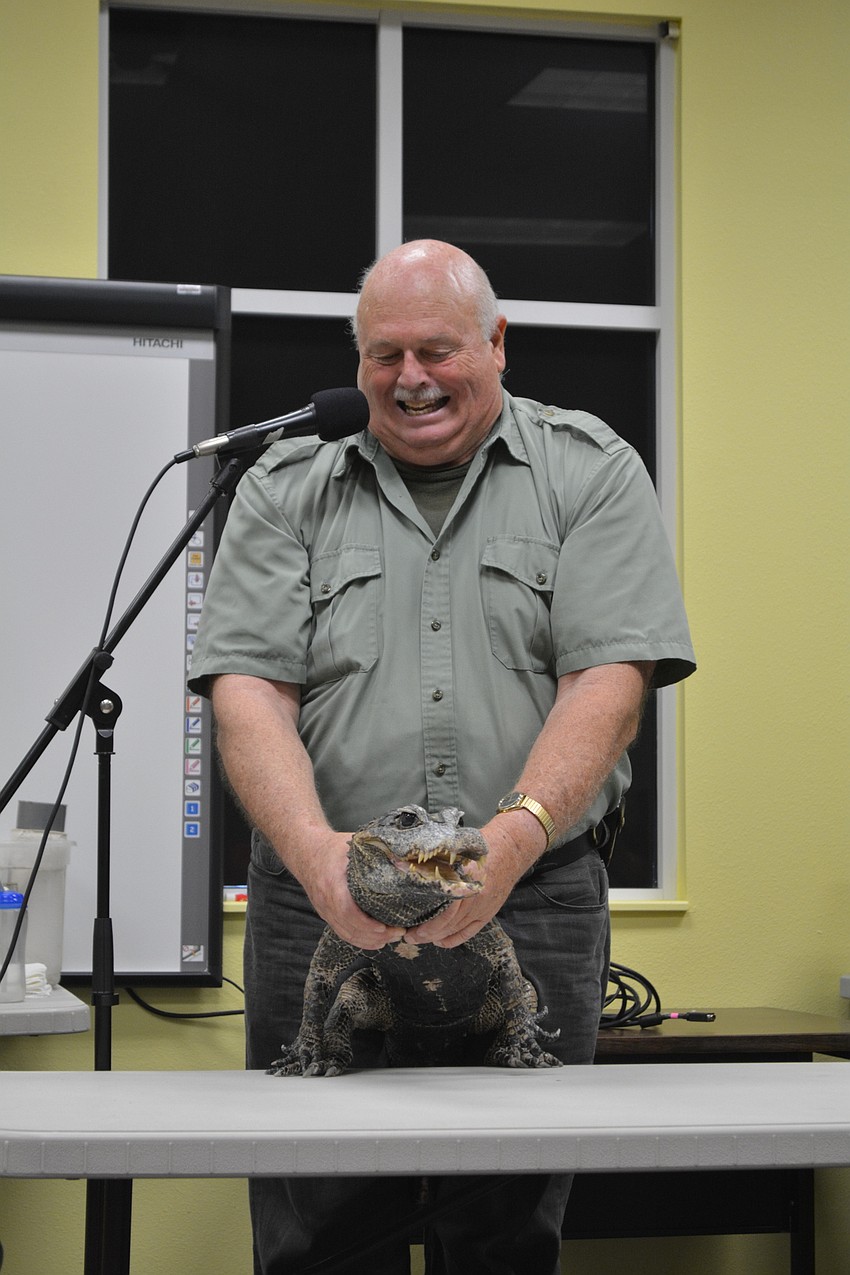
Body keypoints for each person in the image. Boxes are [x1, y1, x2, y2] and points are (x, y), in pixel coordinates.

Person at [188, 239, 695, 1275]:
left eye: (435, 349)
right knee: (316, 1225)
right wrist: (316, 854)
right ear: (359, 360)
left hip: (536, 896)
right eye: (383, 355)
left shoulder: (588, 470)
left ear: (496, 343)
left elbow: (607, 685)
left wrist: (511, 841)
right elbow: (249, 693)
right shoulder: (288, 482)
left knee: (506, 1227)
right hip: (317, 898)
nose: (409, 379)